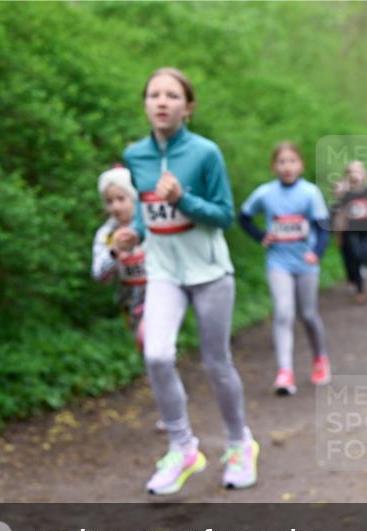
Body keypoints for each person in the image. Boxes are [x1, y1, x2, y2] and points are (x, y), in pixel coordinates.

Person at [118, 67, 258, 494]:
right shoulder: (136, 156)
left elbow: (223, 215)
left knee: (217, 363)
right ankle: (183, 448)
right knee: (157, 355)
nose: (162, 102)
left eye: (172, 95)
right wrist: (133, 233)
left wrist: (184, 199)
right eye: (154, 94)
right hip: (163, 272)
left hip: (210, 272)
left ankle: (239, 445)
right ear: (145, 104)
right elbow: (146, 211)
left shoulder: (205, 153)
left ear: (188, 107)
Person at [239, 142, 332, 396]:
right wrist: (260, 236)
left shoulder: (310, 193)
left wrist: (317, 253)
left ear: (301, 165)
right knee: (283, 312)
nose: (287, 166)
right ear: (274, 166)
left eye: (292, 161)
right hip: (278, 262)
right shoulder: (265, 193)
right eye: (282, 162)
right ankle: (285, 371)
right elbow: (243, 216)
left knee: (309, 315)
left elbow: (324, 226)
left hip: (305, 263)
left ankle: (320, 359)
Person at [91, 164, 147, 347]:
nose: (115, 206)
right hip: (131, 304)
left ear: (133, 197)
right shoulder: (106, 235)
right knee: (148, 352)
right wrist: (114, 252)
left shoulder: (149, 225)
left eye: (121, 199)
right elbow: (98, 275)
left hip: (160, 296)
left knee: (151, 342)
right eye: (109, 201)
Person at [335, 160, 367, 304]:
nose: (355, 174)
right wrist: (339, 233)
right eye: (351, 171)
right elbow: (340, 212)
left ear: (365, 174)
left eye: (358, 171)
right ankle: (360, 290)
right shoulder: (346, 193)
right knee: (355, 257)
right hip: (351, 230)